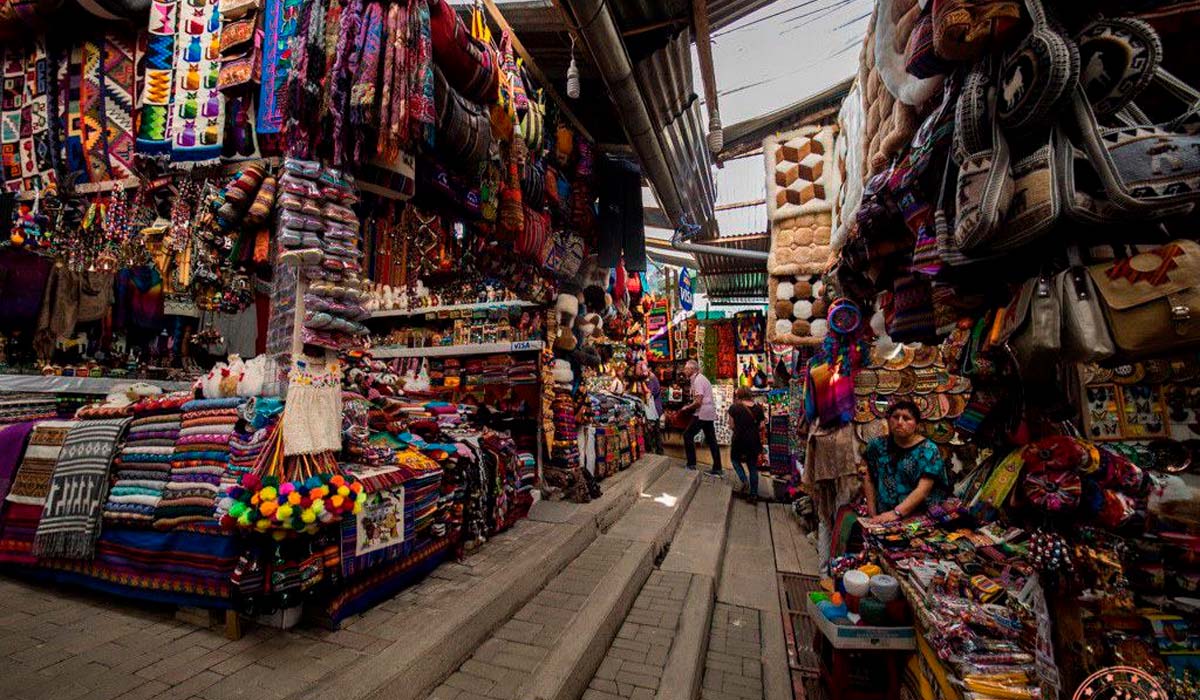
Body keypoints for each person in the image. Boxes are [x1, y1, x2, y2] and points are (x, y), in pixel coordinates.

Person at [861, 400, 949, 523]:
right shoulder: (877, 445)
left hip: (920, 518)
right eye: (895, 417)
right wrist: (872, 514)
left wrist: (896, 513)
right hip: (884, 516)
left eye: (907, 418)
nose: (899, 422)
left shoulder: (928, 450)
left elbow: (923, 489)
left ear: (917, 424)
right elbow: (868, 478)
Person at [682, 359, 722, 474]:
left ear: (692, 369)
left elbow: (698, 401)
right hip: (707, 413)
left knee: (687, 435)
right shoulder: (699, 378)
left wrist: (687, 408)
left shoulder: (698, 380)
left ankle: (691, 464)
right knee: (711, 440)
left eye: (686, 368)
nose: (684, 370)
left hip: (702, 413)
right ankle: (717, 468)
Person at [728, 388, 765, 500]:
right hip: (753, 440)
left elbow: (731, 425)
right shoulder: (758, 409)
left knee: (735, 460)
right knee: (752, 466)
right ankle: (753, 494)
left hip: (739, 439)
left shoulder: (734, 408)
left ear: (739, 395)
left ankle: (744, 480)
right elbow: (762, 426)